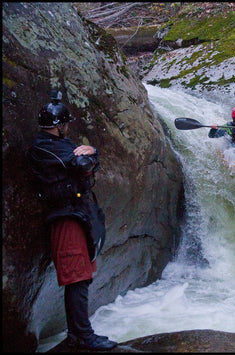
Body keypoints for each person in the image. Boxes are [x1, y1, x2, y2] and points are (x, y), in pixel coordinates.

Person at [28, 90, 117, 351]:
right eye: (65, 124)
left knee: (83, 274)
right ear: (59, 126)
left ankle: (80, 333)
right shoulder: (43, 148)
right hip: (64, 217)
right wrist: (91, 155)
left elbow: (86, 160)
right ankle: (81, 336)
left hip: (77, 213)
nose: (67, 128)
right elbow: (81, 165)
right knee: (77, 276)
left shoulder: (57, 145)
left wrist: (94, 151)